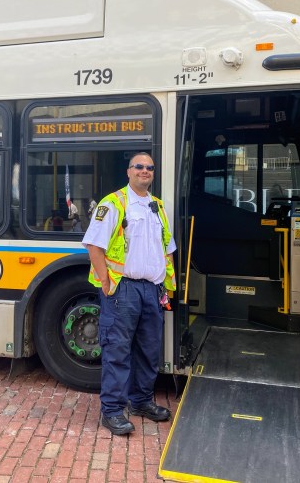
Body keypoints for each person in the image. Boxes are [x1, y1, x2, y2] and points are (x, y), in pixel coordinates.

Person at [82, 152, 176, 436]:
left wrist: (167, 288)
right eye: (139, 167)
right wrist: (107, 283)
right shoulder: (113, 204)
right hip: (123, 290)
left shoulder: (158, 206)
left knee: (149, 351)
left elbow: (167, 250)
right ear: (129, 171)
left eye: (149, 167)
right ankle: (111, 410)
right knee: (118, 352)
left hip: (152, 290)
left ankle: (141, 402)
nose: (145, 171)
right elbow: (93, 246)